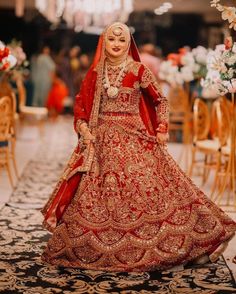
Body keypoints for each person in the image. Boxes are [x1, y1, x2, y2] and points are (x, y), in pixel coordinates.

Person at [41, 23, 236, 272]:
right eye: (112, 39)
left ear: (128, 43)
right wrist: (84, 129)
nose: (116, 44)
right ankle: (94, 249)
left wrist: (162, 128)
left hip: (135, 138)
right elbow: (81, 107)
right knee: (97, 198)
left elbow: (160, 101)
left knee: (153, 190)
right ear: (104, 41)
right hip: (100, 143)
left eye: (122, 40)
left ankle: (190, 242)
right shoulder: (95, 73)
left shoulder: (138, 70)